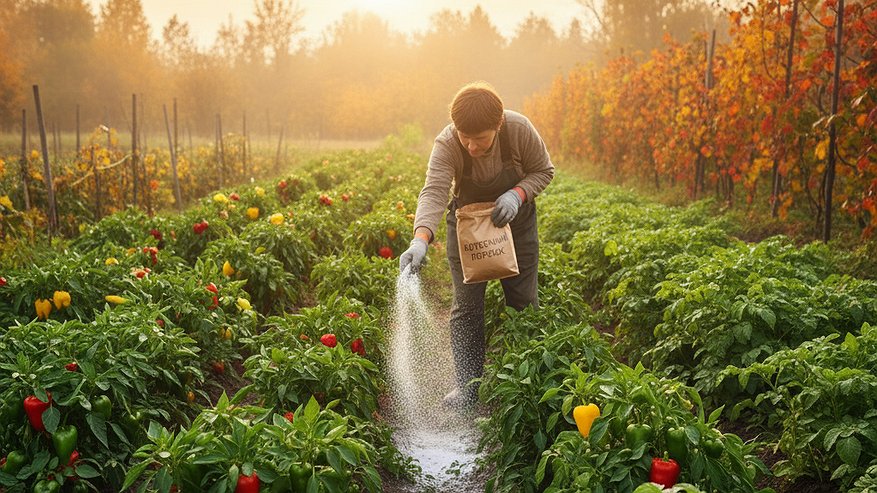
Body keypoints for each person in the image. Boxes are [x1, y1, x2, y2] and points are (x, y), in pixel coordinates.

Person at [399, 81, 555, 411]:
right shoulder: (447, 143)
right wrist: (420, 239)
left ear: (497, 126)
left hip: (516, 225)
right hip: (468, 229)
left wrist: (518, 194)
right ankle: (468, 387)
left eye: (480, 139)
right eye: (463, 136)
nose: (470, 146)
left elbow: (544, 170)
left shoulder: (518, 129)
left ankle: (527, 385)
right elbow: (435, 191)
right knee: (467, 309)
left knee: (523, 302)